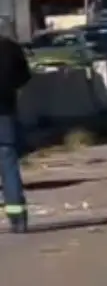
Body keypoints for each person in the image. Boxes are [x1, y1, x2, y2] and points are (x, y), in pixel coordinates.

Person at [0, 29, 31, 233]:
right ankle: (17, 217)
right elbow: (24, 76)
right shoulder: (9, 48)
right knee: (8, 162)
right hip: (4, 112)